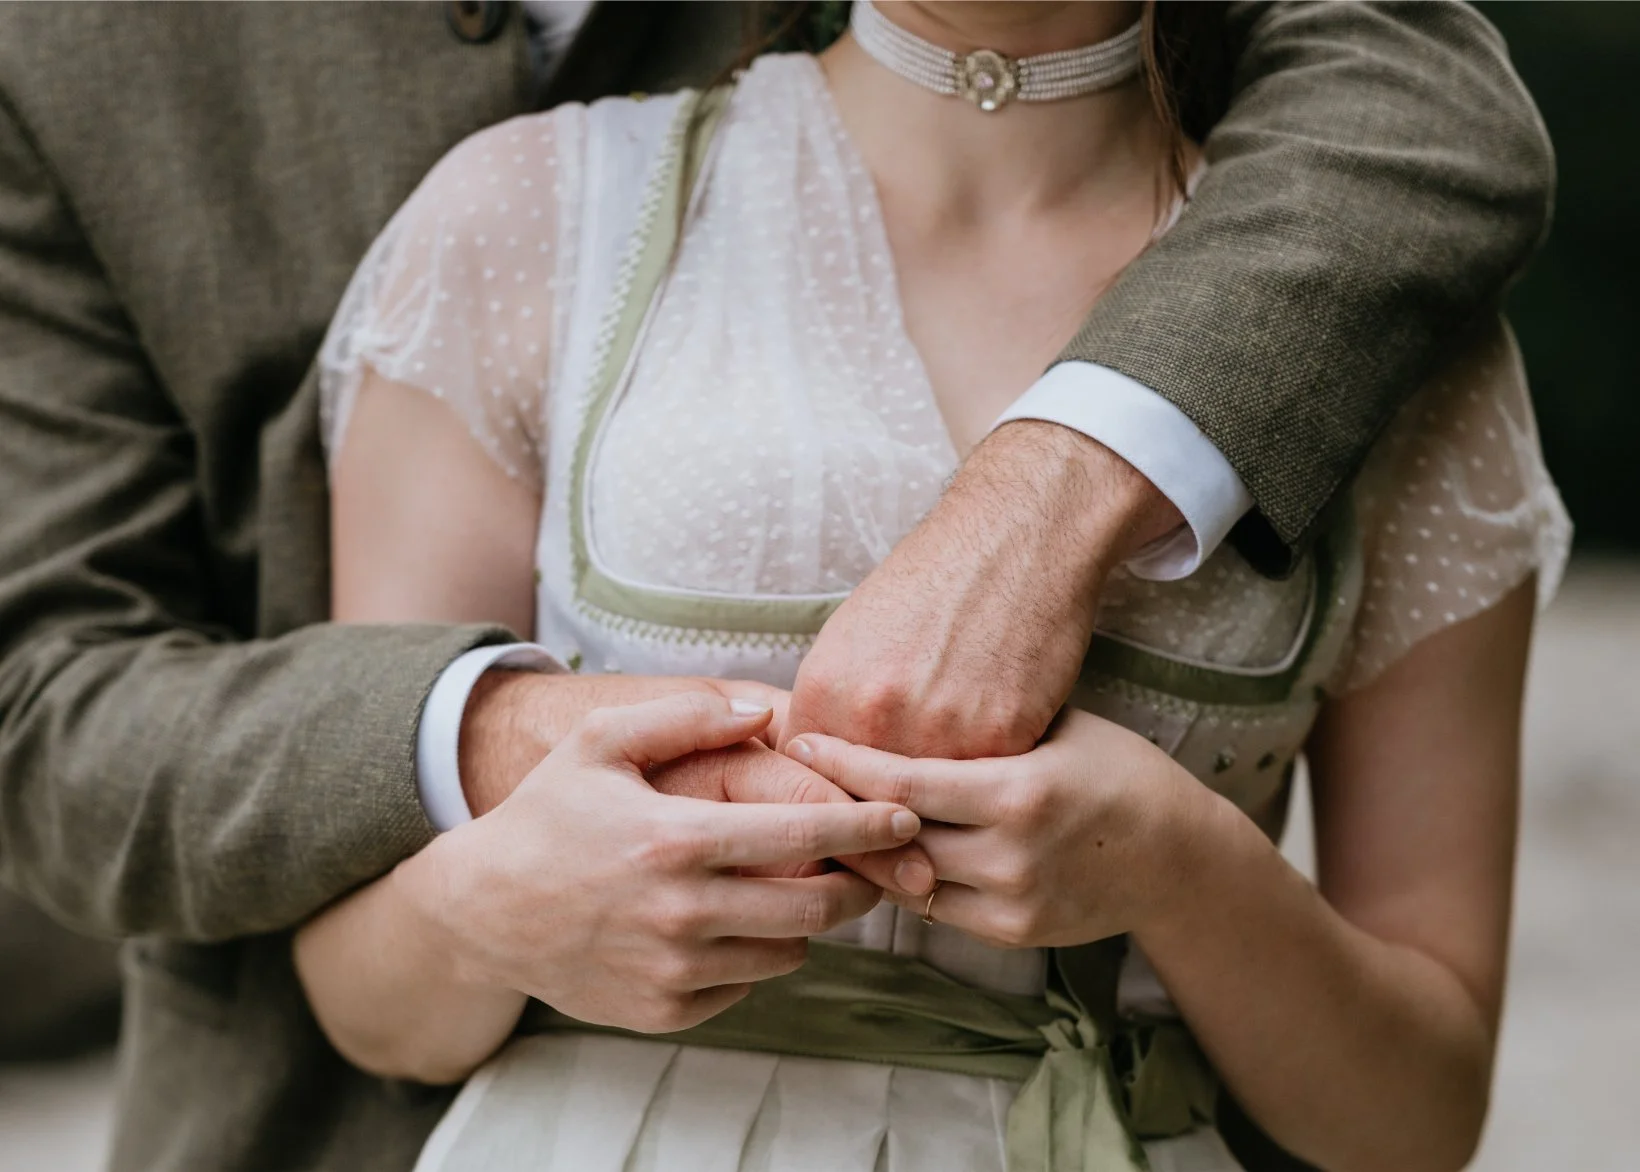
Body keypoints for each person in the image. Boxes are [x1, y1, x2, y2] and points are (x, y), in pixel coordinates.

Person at [0, 2, 1553, 1169]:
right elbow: (63, 711)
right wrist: (504, 835)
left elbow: (1420, 1112)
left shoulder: (1376, 324)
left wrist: (1180, 866)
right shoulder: (524, 217)